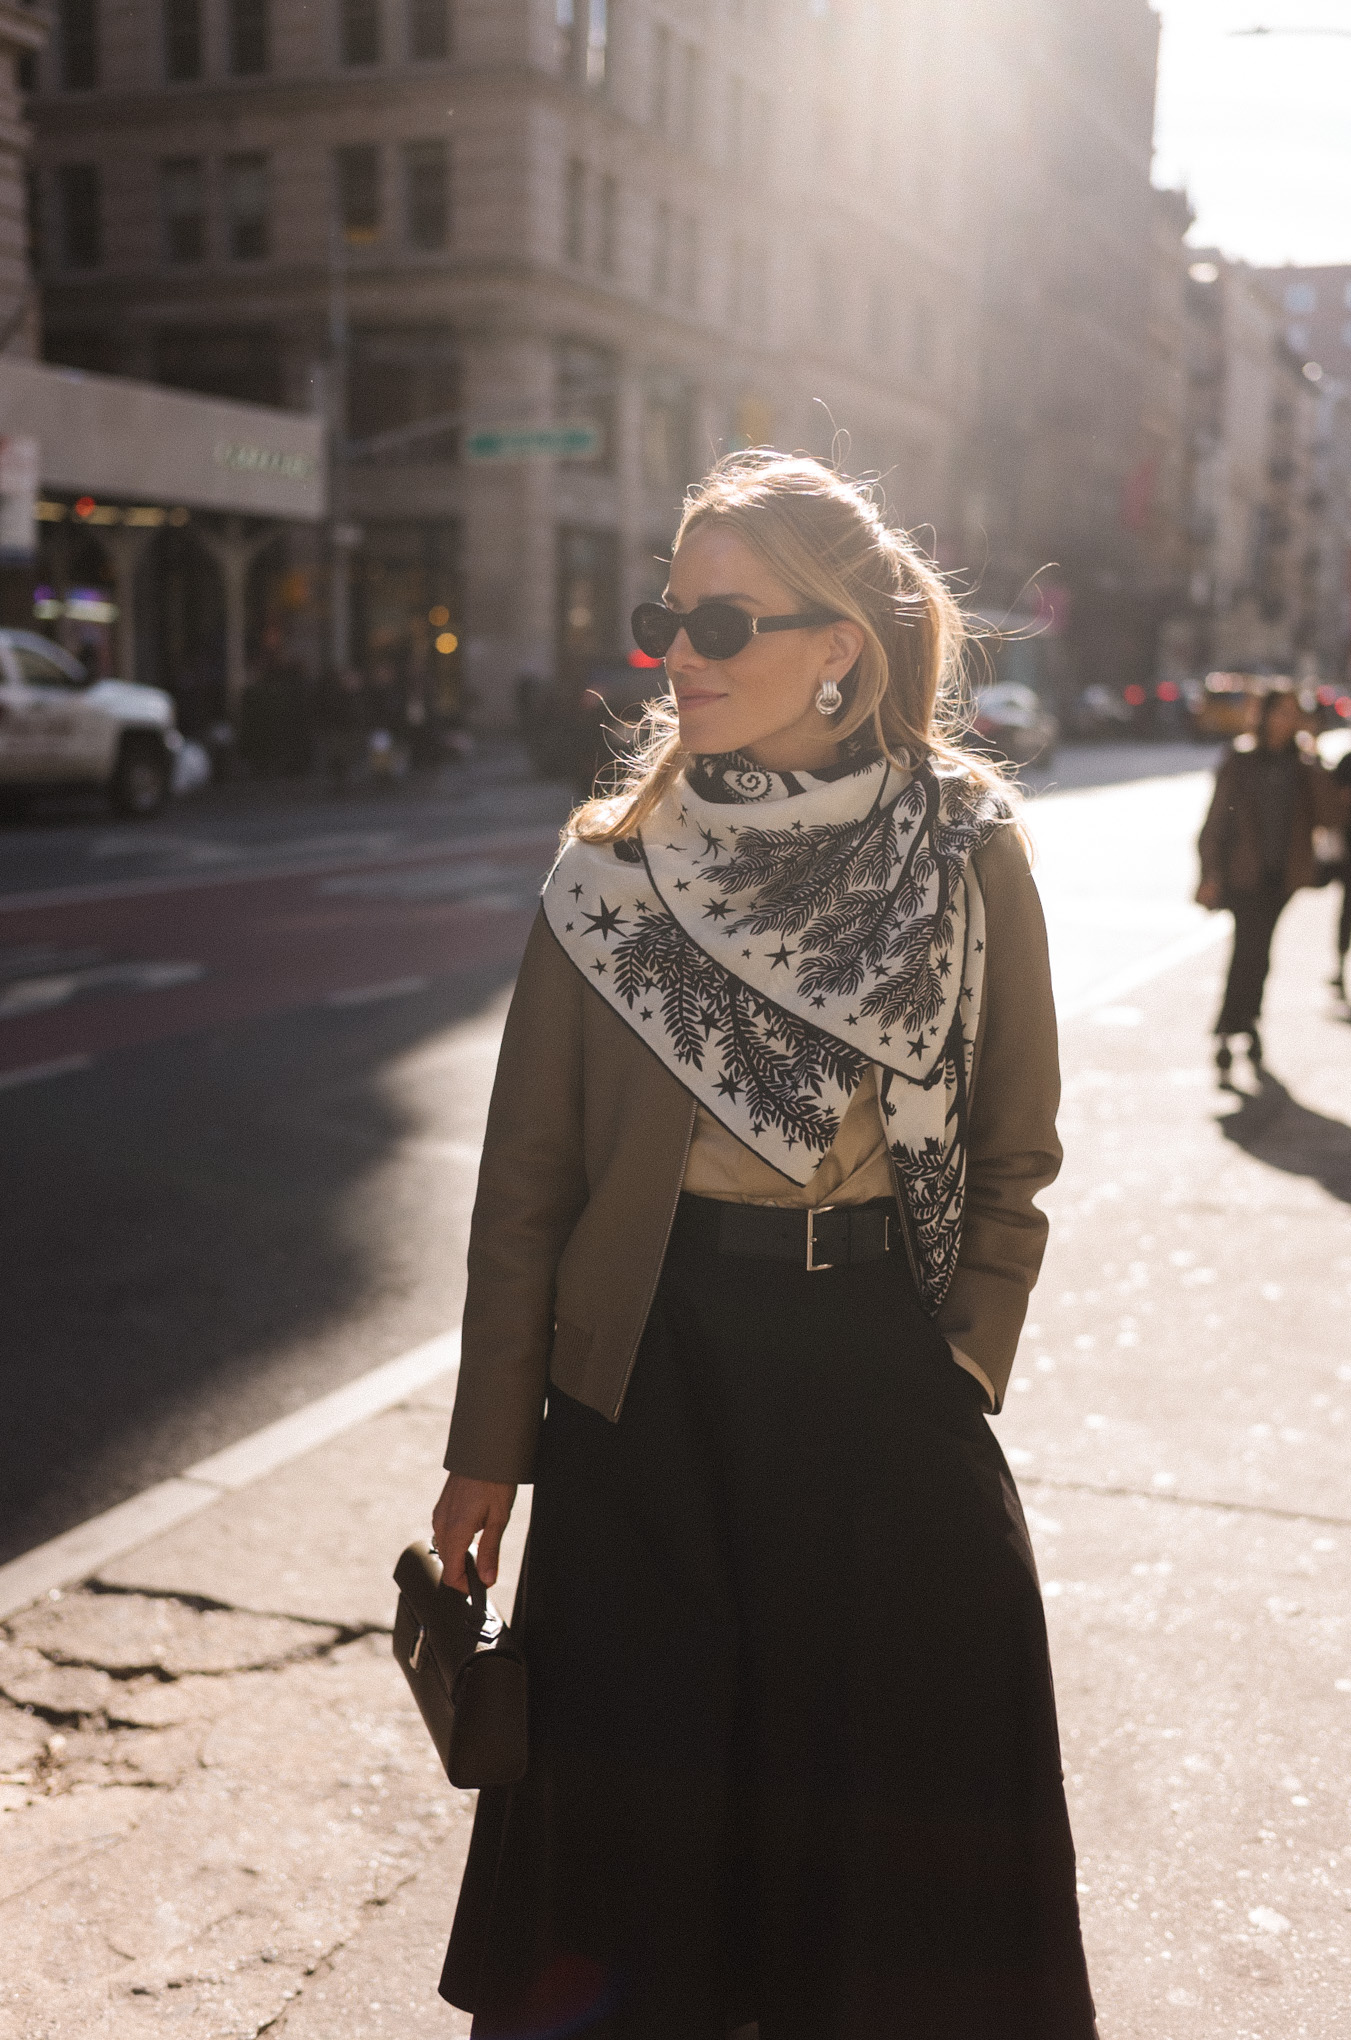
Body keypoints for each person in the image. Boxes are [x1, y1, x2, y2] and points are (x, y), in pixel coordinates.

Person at [430, 452, 1097, 2040]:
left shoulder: (961, 850)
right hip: (643, 1396)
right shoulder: (609, 878)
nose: (686, 654)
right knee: (641, 1840)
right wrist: (484, 1460)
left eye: (729, 620)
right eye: (671, 615)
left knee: (896, 1852)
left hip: (881, 1384)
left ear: (839, 648)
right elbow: (523, 1191)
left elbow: (1015, 1152)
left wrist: (960, 1365)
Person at [1196, 687, 1335, 1080]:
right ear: (1265, 716)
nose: (1287, 720)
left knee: (1260, 951)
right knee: (1248, 950)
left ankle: (1242, 1023)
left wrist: (1315, 755)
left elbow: (1330, 816)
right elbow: (1216, 822)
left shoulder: (1303, 763)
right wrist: (1209, 873)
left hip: (1283, 879)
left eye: (1295, 713)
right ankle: (1231, 1027)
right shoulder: (1240, 761)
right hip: (1243, 876)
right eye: (1281, 712)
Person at [1330, 734, 1351, 1002]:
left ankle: (1340, 963)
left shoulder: (1349, 762)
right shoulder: (1350, 762)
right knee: (1348, 906)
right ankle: (1339, 963)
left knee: (1348, 906)